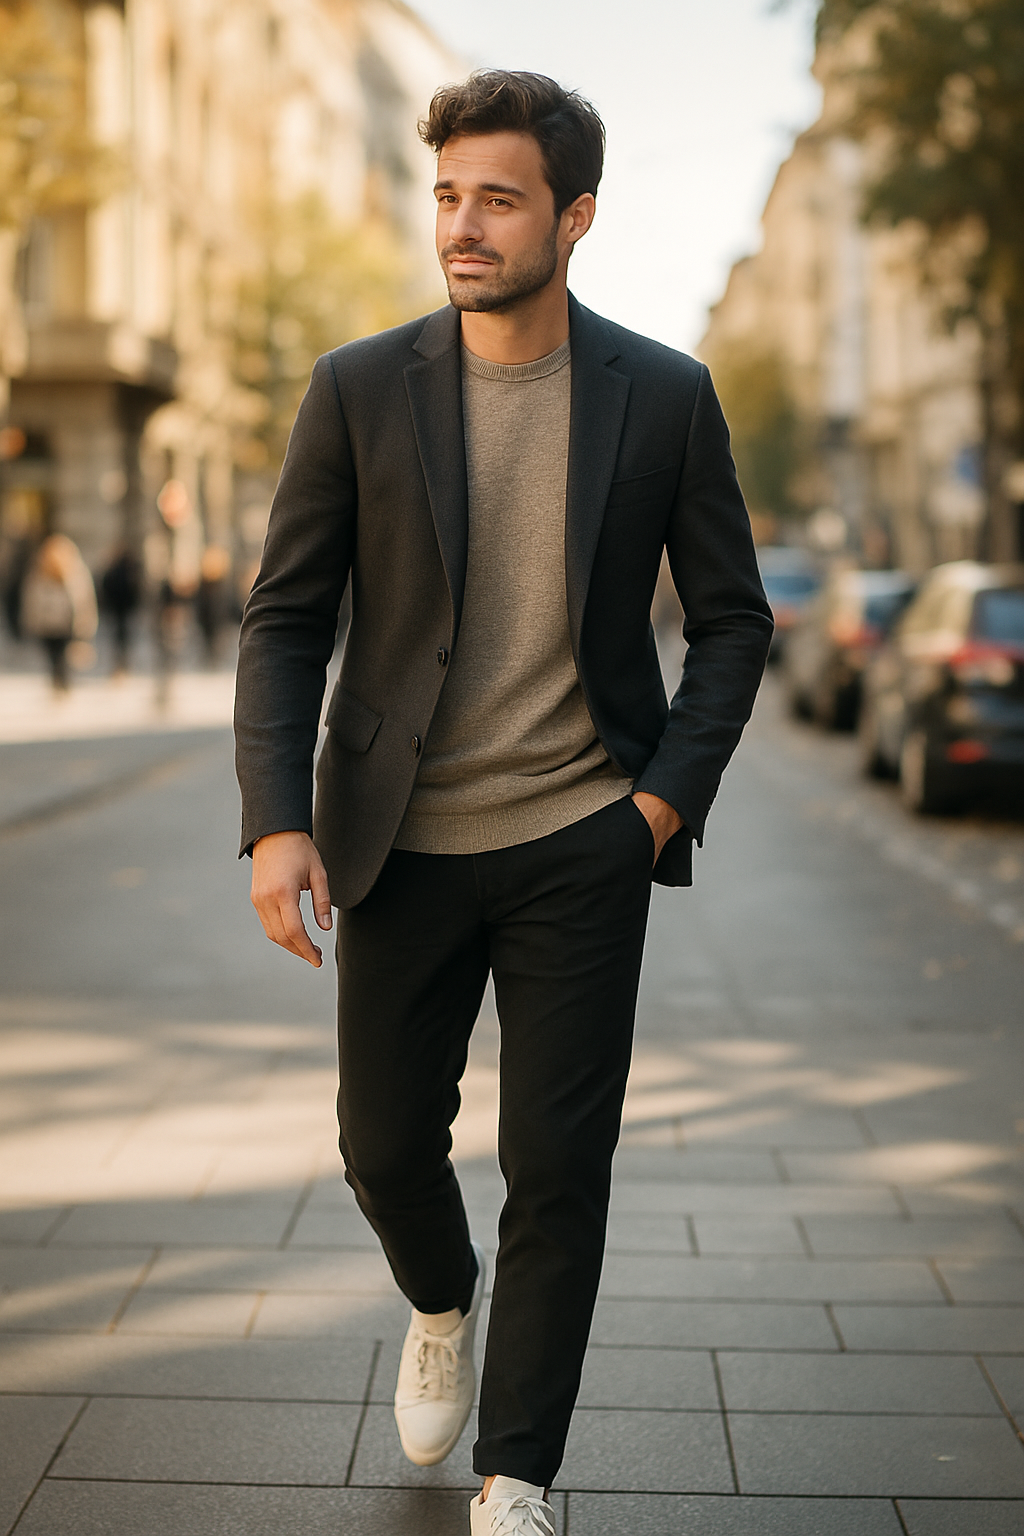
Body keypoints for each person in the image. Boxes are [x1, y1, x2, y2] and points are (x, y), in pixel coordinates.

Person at [235, 70, 772, 1535]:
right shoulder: (359, 386)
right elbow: (286, 617)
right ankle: (439, 1301)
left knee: (559, 1167)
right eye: (448, 196)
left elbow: (733, 621)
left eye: (499, 200)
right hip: (396, 842)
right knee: (382, 1148)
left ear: (574, 217)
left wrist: (657, 809)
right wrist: (277, 819)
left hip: (580, 842)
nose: (462, 227)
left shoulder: (663, 395)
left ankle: (517, 1472)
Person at [20, 532, 98, 692]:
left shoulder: (75, 571)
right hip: (50, 622)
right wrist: (31, 620)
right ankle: (58, 682)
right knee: (55, 655)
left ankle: (61, 683)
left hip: (63, 622)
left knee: (60, 655)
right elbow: (32, 599)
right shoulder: (40, 573)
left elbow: (84, 599)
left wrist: (86, 623)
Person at [99, 544, 143, 674]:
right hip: (121, 607)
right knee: (122, 636)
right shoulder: (128, 570)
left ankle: (122, 660)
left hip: (121, 607)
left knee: (121, 636)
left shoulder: (127, 570)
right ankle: (122, 660)